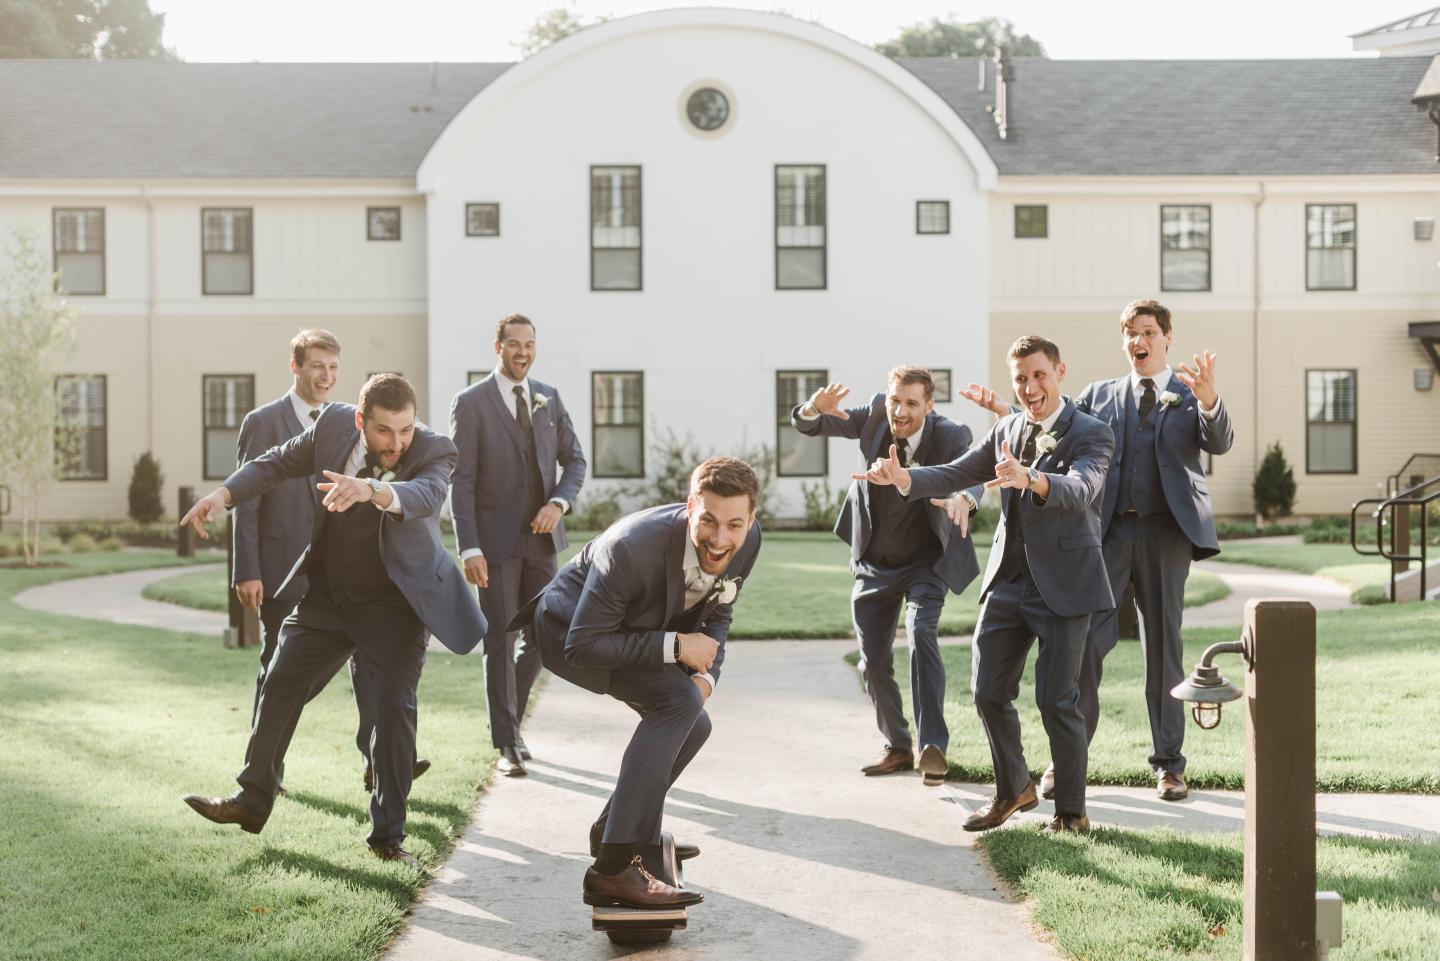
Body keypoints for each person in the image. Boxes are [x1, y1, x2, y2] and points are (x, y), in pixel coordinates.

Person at [179, 374, 486, 867]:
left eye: (404, 430)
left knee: (392, 711)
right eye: (385, 431)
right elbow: (274, 463)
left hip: (396, 606)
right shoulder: (333, 426)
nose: (397, 442)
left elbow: (426, 496)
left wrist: (370, 489)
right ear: (362, 421)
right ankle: (252, 801)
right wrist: (224, 496)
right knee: (279, 683)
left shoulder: (435, 449)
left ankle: (388, 837)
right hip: (327, 597)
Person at [961, 300, 1232, 801]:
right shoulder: (1100, 395)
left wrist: (1211, 401)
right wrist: (1007, 412)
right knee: (1085, 648)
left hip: (1165, 535)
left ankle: (1169, 764)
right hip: (1103, 537)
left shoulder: (1188, 393)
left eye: (1148, 331)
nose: (1138, 340)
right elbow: (1051, 428)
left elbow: (1219, 442)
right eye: (1130, 332)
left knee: (1164, 650)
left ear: (1166, 337)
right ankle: (1068, 763)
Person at [856, 336, 1113, 834]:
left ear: (1059, 371)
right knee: (987, 691)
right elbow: (957, 471)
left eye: (1039, 375)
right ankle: (1012, 789)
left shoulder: (1093, 432)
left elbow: (1082, 488)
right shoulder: (1008, 428)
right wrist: (903, 478)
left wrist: (1032, 479)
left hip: (1065, 584)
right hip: (1008, 583)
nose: (1030, 386)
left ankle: (1072, 813)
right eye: (1020, 378)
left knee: (1057, 700)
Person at [512, 458, 763, 907]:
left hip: (636, 629)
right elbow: (582, 646)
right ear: (691, 508)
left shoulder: (747, 542)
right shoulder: (631, 545)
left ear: (751, 520)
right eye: (708, 521)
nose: (720, 538)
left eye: (734, 525)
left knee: (694, 718)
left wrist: (707, 676)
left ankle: (615, 827)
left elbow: (720, 613)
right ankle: (612, 868)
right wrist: (675, 647)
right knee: (676, 705)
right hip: (570, 628)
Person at [791, 366, 984, 784]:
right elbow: (809, 425)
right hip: (874, 560)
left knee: (921, 634)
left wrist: (964, 501)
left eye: (911, 403)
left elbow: (974, 476)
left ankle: (933, 745)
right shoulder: (876, 415)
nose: (900, 410)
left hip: (926, 563)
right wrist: (812, 408)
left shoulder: (952, 435)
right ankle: (898, 746)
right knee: (873, 662)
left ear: (929, 406)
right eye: (895, 399)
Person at [450, 313, 586, 777]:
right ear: (498, 347)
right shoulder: (471, 403)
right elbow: (461, 482)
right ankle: (507, 741)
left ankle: (512, 723)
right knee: (500, 640)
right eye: (514, 344)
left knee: (545, 640)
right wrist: (469, 548)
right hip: (495, 546)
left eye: (530, 344)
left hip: (543, 542)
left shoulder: (549, 397)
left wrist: (559, 503)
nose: (523, 352)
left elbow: (576, 461)